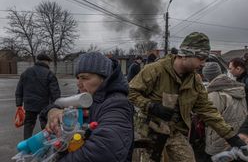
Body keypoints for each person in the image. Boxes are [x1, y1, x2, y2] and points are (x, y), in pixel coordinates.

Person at [129, 32, 247, 162]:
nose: (203, 64)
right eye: (201, 58)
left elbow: (207, 110)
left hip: (174, 132)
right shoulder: (155, 70)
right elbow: (130, 92)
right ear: (186, 55)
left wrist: (232, 138)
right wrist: (150, 106)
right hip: (150, 133)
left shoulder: (195, 80)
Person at [44, 52, 134, 162]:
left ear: (103, 78)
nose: (78, 83)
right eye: (78, 78)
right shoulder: (86, 98)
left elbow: (105, 151)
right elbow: (57, 105)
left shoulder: (118, 104)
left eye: (85, 78)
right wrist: (52, 111)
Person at [202, 62, 247, 160]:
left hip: (221, 137)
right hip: (238, 134)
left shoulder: (214, 93)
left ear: (207, 76)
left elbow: (211, 116)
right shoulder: (237, 86)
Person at [15, 53, 61, 139]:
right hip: (44, 106)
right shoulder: (49, 74)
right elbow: (55, 93)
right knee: (45, 124)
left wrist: (19, 104)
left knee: (28, 124)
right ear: (46, 62)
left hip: (29, 104)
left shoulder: (26, 72)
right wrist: (55, 106)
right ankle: (47, 142)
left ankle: (26, 145)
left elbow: (19, 89)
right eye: (49, 62)